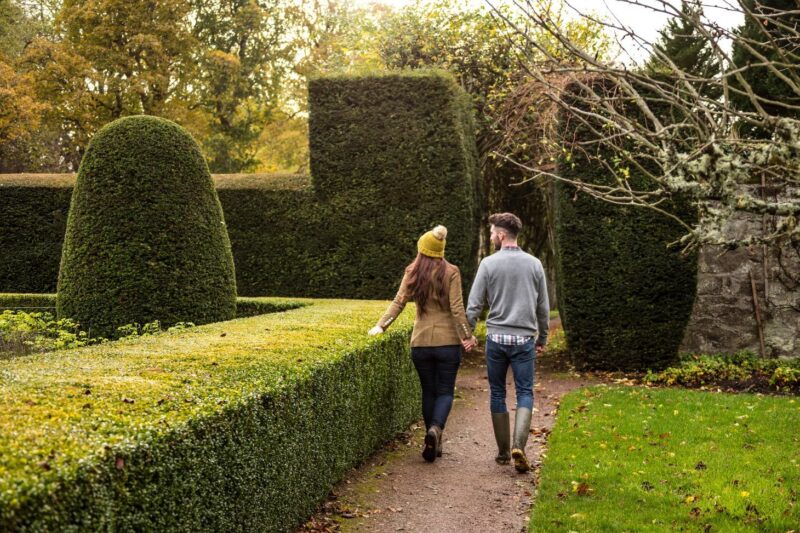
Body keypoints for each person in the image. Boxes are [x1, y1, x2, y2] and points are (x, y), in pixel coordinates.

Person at [368, 225, 473, 462]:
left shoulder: (412, 271)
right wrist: (466, 335)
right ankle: (435, 429)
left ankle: (431, 439)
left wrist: (381, 325)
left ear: (422, 249)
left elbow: (399, 301)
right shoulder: (452, 272)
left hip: (421, 343)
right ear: (441, 250)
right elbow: (457, 309)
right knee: (445, 391)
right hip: (447, 343)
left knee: (428, 391)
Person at [462, 213, 549, 473]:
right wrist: (542, 337)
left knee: (498, 392)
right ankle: (519, 446)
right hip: (524, 340)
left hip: (496, 340)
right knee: (525, 392)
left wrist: (468, 333)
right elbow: (543, 307)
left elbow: (473, 305)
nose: (490, 237)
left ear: (501, 235)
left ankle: (502, 453)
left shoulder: (488, 264)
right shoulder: (534, 264)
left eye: (491, 233)